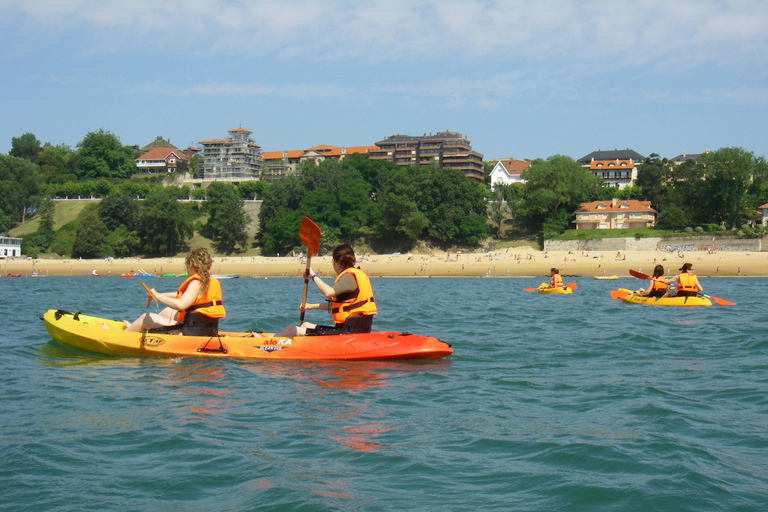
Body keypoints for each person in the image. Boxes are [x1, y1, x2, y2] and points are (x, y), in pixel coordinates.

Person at [275, 244, 377, 337]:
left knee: (292, 329)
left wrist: (313, 275)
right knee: (305, 325)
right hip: (350, 329)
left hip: (349, 333)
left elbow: (328, 292)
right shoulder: (355, 275)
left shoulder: (349, 276)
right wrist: (311, 306)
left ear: (334, 262)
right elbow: (342, 307)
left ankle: (266, 343)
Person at [124, 248, 225, 335]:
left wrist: (157, 296)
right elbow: (188, 296)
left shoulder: (196, 283)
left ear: (190, 265)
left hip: (190, 333)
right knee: (167, 312)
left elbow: (181, 305)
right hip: (206, 329)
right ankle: (137, 328)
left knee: (145, 318)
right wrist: (161, 295)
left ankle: (127, 333)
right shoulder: (210, 281)